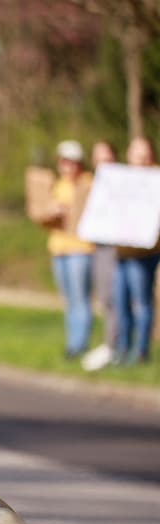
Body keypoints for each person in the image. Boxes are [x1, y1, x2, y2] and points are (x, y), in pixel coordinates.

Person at [35, 139, 95, 359]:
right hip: (58, 249)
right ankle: (72, 344)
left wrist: (69, 209)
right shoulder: (58, 185)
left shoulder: (88, 182)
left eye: (70, 161)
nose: (66, 165)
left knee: (81, 299)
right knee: (68, 300)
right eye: (63, 160)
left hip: (81, 249)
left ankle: (80, 344)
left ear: (79, 162)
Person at [112, 136, 160, 364]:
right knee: (120, 304)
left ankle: (141, 352)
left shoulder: (156, 179)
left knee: (141, 303)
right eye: (135, 152)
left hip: (144, 254)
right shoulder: (119, 179)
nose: (139, 158)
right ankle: (123, 348)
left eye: (144, 153)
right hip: (122, 253)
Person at [82, 139, 119, 370]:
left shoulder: (125, 182)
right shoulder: (89, 182)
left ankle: (117, 345)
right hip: (98, 246)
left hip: (120, 248)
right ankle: (110, 344)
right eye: (98, 156)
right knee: (104, 298)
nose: (102, 161)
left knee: (119, 299)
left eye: (106, 156)